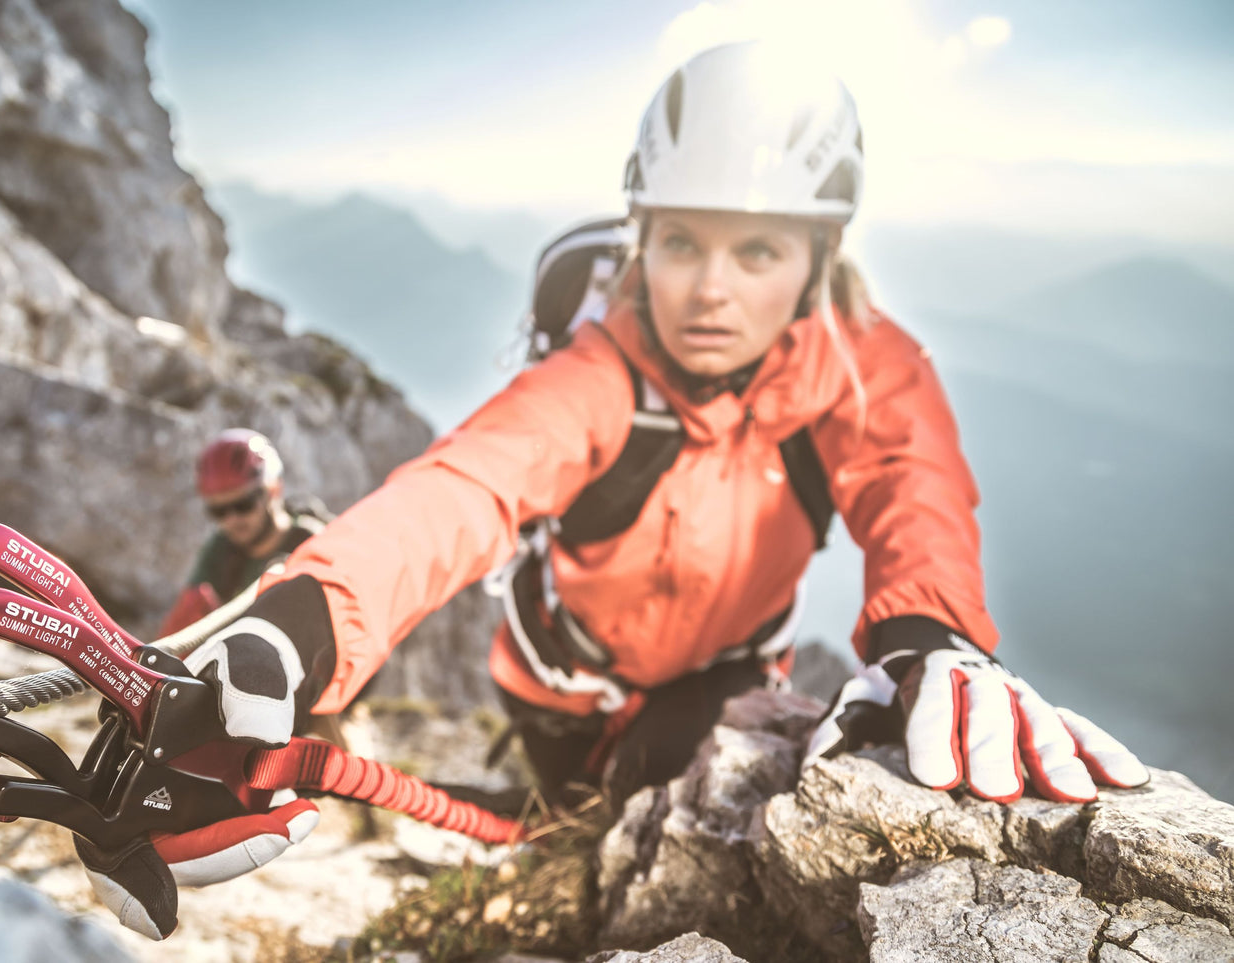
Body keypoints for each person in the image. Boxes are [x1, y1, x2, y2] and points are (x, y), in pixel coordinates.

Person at [90, 42, 1150, 939]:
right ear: (643, 235)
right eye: (681, 239)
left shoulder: (865, 363)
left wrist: (930, 632)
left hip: (720, 675)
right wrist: (300, 629)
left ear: (819, 256)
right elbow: (463, 491)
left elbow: (908, 484)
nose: (709, 287)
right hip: (554, 680)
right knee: (570, 828)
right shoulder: (600, 374)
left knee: (630, 812)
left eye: (759, 248)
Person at [157, 429, 330, 637]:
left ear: (273, 490)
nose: (232, 520)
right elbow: (180, 626)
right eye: (218, 511)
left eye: (243, 505)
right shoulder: (222, 550)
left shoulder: (313, 543)